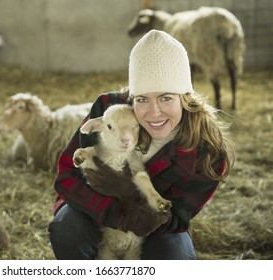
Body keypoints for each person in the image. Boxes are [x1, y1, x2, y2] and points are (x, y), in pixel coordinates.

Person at [48, 30, 234, 260]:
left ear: (184, 98)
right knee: (66, 227)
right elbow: (67, 176)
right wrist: (114, 210)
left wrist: (133, 197)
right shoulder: (110, 109)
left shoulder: (205, 150)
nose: (154, 112)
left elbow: (179, 218)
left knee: (176, 254)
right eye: (142, 99)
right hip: (96, 214)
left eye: (166, 97)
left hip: (155, 228)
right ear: (132, 97)